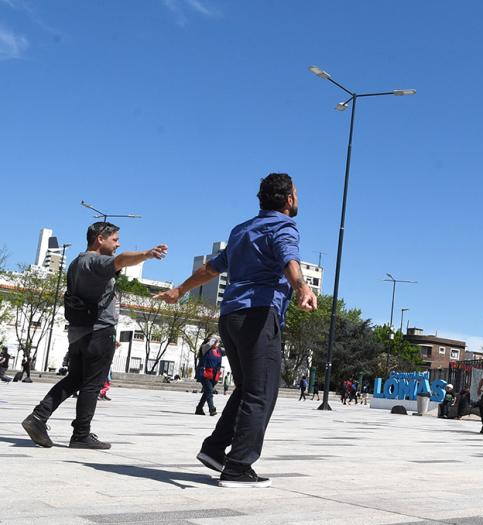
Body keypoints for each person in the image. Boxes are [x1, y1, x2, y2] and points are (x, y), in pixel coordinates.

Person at [155, 172, 317, 488]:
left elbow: (212, 268)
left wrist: (180, 290)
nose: (298, 198)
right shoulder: (283, 226)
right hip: (258, 316)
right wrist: (301, 287)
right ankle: (238, 467)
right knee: (262, 392)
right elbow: (289, 256)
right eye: (296, 193)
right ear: (288, 199)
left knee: (246, 389)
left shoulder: (243, 230)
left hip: (231, 316)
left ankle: (215, 450)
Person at [22, 221, 167, 449]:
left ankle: (38, 417)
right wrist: (146, 254)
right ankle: (81, 434)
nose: (118, 244)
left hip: (79, 332)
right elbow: (121, 260)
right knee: (92, 383)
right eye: (115, 239)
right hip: (98, 331)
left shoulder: (77, 262)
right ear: (100, 238)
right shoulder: (97, 261)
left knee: (75, 379)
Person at [195, 339, 224, 416]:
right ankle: (212, 409)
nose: (217, 343)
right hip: (205, 374)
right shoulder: (206, 349)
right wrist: (213, 340)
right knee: (209, 391)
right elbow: (208, 345)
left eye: (218, 342)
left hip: (214, 375)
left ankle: (199, 408)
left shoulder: (219, 351)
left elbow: (229, 350)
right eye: (215, 341)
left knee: (207, 392)